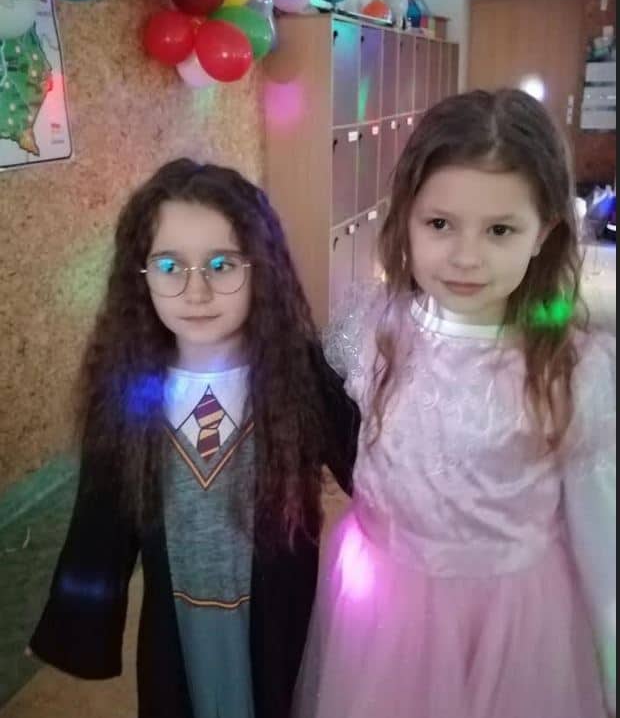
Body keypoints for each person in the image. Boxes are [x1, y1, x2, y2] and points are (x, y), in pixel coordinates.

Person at [293, 90, 616, 718]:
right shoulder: (374, 332)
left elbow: (601, 537)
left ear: (544, 232)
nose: (466, 256)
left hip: (514, 625)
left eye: (500, 230)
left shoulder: (570, 370)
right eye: (440, 224)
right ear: (406, 218)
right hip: (382, 613)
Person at [29, 159, 360, 718]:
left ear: (261, 269)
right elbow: (100, 525)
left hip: (279, 617)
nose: (196, 290)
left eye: (222, 264)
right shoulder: (128, 395)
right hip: (175, 624)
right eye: (169, 266)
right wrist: (74, 622)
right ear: (141, 275)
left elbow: (370, 465)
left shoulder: (297, 374)